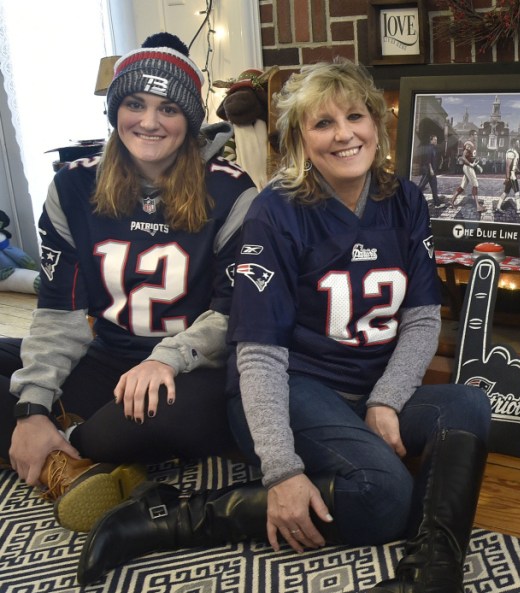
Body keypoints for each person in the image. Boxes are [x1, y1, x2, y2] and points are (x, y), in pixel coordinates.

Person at [75, 59, 492, 592]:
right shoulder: (276, 210)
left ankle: (432, 574)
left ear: (376, 126)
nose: (344, 134)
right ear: (299, 138)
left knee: (469, 406)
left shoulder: (404, 198)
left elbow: (422, 318)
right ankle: (168, 518)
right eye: (322, 124)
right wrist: (282, 471)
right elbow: (258, 353)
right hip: (291, 390)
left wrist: (387, 399)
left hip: (368, 392)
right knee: (385, 497)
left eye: (355, 117)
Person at [0, 33, 258, 534]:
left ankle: (74, 445)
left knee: (165, 416)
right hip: (109, 355)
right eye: (135, 104)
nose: (149, 121)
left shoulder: (231, 189)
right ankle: (72, 458)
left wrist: (166, 357)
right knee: (27, 378)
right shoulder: (74, 185)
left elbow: (234, 312)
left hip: (189, 372)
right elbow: (60, 308)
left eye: (168, 109)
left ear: (190, 119)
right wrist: (32, 405)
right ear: (115, 110)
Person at [450, 130, 484, 213]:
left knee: (462, 186)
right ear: (472, 135)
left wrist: (477, 165)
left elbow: (471, 158)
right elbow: (463, 157)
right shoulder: (469, 144)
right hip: (468, 167)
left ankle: (452, 200)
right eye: (475, 135)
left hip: (469, 167)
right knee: (475, 184)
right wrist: (471, 165)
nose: (476, 136)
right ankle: (477, 206)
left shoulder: (472, 144)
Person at [416, 134, 442, 206]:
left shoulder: (434, 148)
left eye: (436, 140)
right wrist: (431, 169)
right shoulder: (429, 148)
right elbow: (428, 160)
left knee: (434, 187)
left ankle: (437, 203)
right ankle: (412, 199)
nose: (436, 141)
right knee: (421, 186)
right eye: (435, 140)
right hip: (427, 171)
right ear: (431, 140)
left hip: (432, 172)